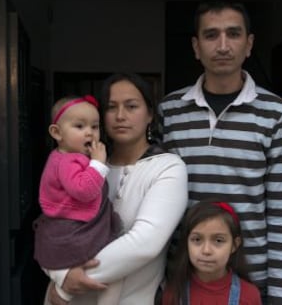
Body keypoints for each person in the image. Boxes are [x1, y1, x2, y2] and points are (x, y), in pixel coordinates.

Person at [158, 0, 282, 304]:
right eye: (211, 35)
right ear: (196, 47)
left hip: (250, 279)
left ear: (249, 44)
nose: (223, 45)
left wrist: (281, 296)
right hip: (182, 279)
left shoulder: (276, 114)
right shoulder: (169, 111)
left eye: (233, 34)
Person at [43, 72, 189, 305]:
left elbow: (144, 244)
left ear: (150, 114)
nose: (121, 116)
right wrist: (60, 275)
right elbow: (51, 225)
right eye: (111, 107)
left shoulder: (168, 168)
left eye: (131, 106)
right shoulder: (81, 167)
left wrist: (67, 283)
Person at [33, 94, 121, 303]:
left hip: (76, 221)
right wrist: (99, 163)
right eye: (79, 126)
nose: (89, 132)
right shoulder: (67, 161)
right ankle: (62, 284)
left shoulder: (71, 157)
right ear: (57, 133)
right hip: (70, 227)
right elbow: (84, 191)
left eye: (95, 126)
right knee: (81, 253)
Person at [162, 201, 261, 305]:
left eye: (218, 240)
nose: (206, 250)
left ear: (234, 245)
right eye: (197, 239)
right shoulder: (174, 293)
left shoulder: (249, 296)